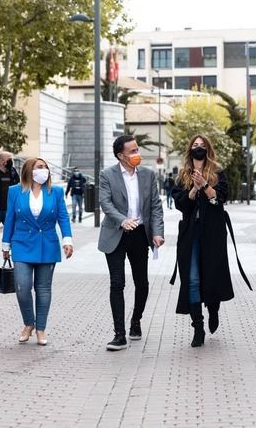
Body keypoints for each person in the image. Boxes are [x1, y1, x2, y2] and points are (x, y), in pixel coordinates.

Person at [171, 135, 249, 348]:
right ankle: (198, 326)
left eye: (202, 146)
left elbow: (220, 199)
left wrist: (205, 185)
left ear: (208, 149)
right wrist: (193, 190)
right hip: (190, 234)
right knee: (193, 278)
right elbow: (180, 205)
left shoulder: (217, 172)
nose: (198, 148)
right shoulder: (182, 175)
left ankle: (213, 309)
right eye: (195, 145)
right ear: (189, 149)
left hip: (212, 232)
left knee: (212, 276)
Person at [98, 135, 165, 351]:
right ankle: (119, 334)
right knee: (117, 283)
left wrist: (157, 232)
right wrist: (122, 220)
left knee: (142, 283)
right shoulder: (107, 174)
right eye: (133, 151)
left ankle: (136, 320)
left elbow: (155, 205)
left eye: (137, 150)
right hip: (116, 233)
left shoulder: (147, 175)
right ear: (121, 156)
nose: (138, 154)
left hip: (139, 234)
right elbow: (105, 203)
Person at [2, 158, 73, 346]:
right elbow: (9, 218)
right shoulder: (15, 191)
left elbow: (63, 217)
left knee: (43, 289)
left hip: (47, 244)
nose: (44, 170)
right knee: (22, 287)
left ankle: (40, 328)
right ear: (29, 170)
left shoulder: (56, 191)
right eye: (40, 167)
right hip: (21, 243)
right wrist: (5, 244)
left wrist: (67, 239)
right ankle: (29, 323)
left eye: (46, 167)